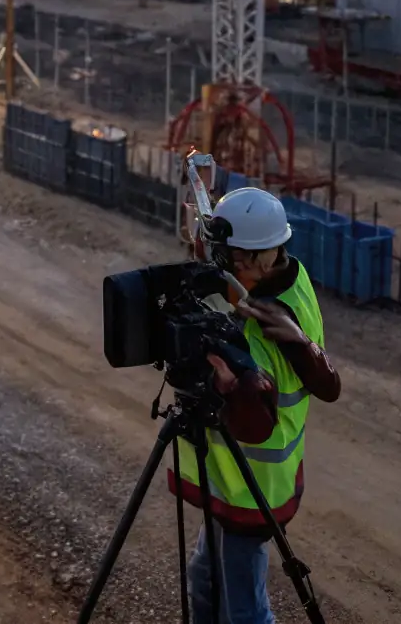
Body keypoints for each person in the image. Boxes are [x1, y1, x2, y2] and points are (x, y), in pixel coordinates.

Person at [169, 186, 341, 624]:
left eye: (240, 259)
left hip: (254, 485)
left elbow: (257, 428)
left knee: (244, 611)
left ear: (267, 254)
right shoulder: (292, 276)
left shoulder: (269, 323)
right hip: (234, 483)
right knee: (204, 578)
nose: (232, 267)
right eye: (228, 257)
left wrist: (233, 389)